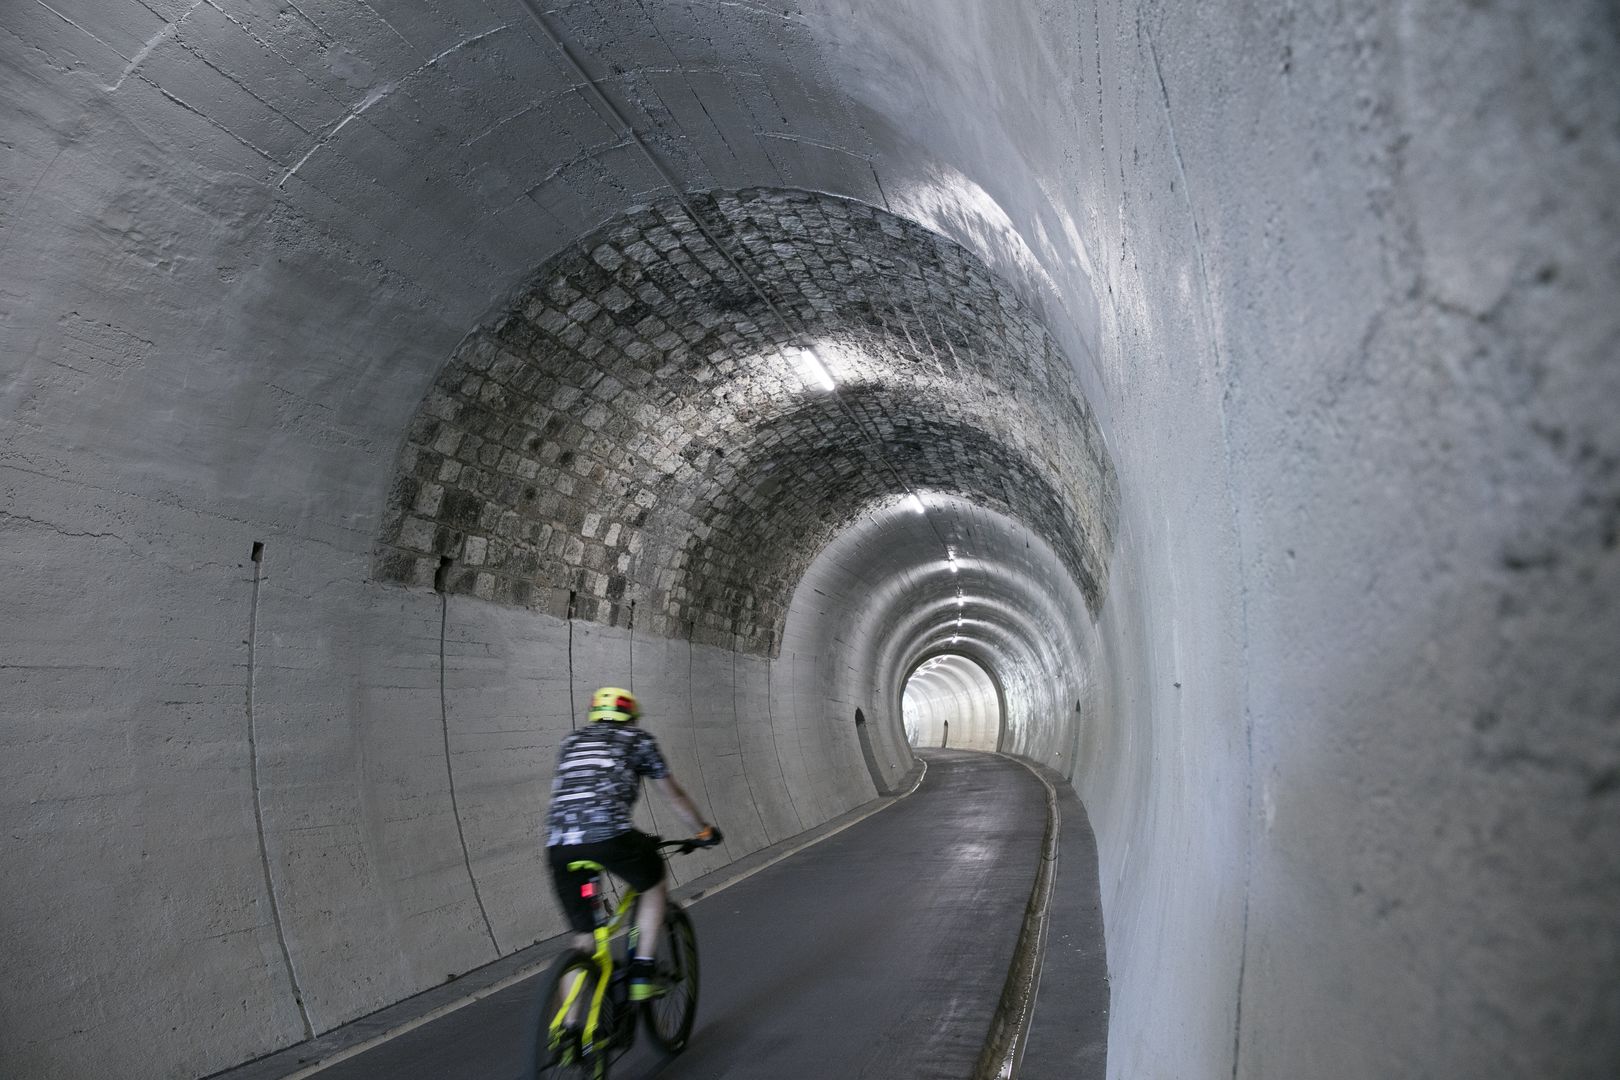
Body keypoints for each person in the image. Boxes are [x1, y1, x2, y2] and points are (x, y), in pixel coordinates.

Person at [546, 686, 722, 1000]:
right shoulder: (638, 740)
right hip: (610, 837)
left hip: (560, 845)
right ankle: (641, 972)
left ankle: (569, 1027)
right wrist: (704, 831)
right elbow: (674, 796)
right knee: (654, 880)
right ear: (631, 717)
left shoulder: (571, 741)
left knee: (583, 940)